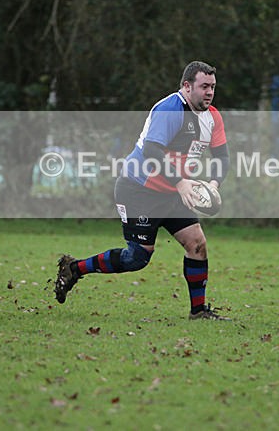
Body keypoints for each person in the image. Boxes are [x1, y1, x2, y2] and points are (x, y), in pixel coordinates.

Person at [53, 61, 231, 320]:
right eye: (204, 86)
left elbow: (222, 156)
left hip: (172, 192)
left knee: (196, 244)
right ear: (186, 86)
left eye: (213, 87)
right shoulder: (170, 109)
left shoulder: (212, 117)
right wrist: (180, 182)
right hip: (139, 190)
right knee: (137, 258)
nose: (210, 92)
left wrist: (213, 185)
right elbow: (151, 150)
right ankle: (75, 268)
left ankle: (198, 311)